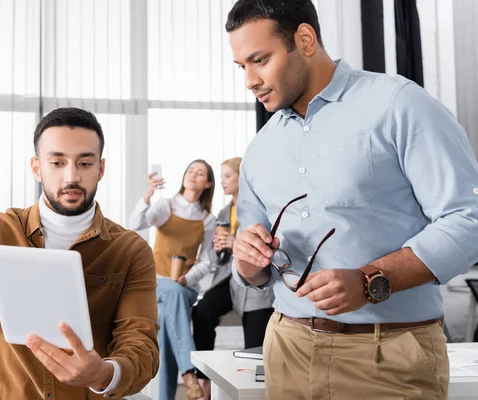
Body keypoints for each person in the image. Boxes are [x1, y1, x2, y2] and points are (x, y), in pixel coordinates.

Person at [226, 0, 478, 399]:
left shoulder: (399, 104)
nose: (250, 80)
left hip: (388, 357)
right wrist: (247, 258)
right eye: (242, 66)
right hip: (287, 351)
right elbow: (256, 273)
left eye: (259, 60)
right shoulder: (261, 148)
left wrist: (370, 280)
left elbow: (468, 219)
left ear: (304, 40)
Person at [0, 107, 159, 399]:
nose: (71, 177)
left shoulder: (131, 250)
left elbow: (142, 348)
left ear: (100, 168)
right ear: (37, 168)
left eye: (84, 164)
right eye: (57, 162)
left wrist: (104, 374)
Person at [128, 160, 216, 400]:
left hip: (184, 287)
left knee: (167, 319)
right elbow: (135, 224)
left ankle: (168, 394)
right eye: (190, 170)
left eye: (200, 173)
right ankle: (190, 372)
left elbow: (209, 261)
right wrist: (147, 194)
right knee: (171, 294)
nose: (193, 175)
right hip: (155, 283)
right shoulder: (166, 206)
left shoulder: (208, 219)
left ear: (207, 184)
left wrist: (188, 277)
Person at [191, 157, 274, 399]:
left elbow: (267, 248)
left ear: (242, 177)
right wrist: (219, 250)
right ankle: (202, 379)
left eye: (228, 176)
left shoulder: (263, 207)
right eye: (222, 176)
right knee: (202, 311)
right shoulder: (224, 212)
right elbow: (220, 260)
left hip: (259, 289)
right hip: (230, 281)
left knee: (254, 354)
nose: (223, 181)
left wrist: (236, 243)